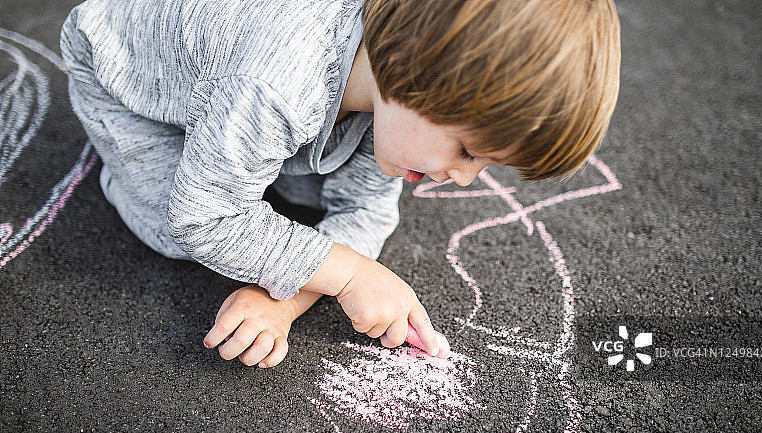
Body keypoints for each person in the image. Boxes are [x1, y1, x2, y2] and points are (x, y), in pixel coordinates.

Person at [60, 0, 621, 368]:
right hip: (128, 74)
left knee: (297, 202)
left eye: (484, 165)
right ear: (415, 72)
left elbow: (366, 214)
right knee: (178, 229)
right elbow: (205, 217)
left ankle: (234, 149)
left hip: (241, 85)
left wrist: (281, 299)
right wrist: (349, 273)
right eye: (467, 150)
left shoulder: (395, 96)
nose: (462, 176)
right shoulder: (278, 84)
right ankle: (133, 169)